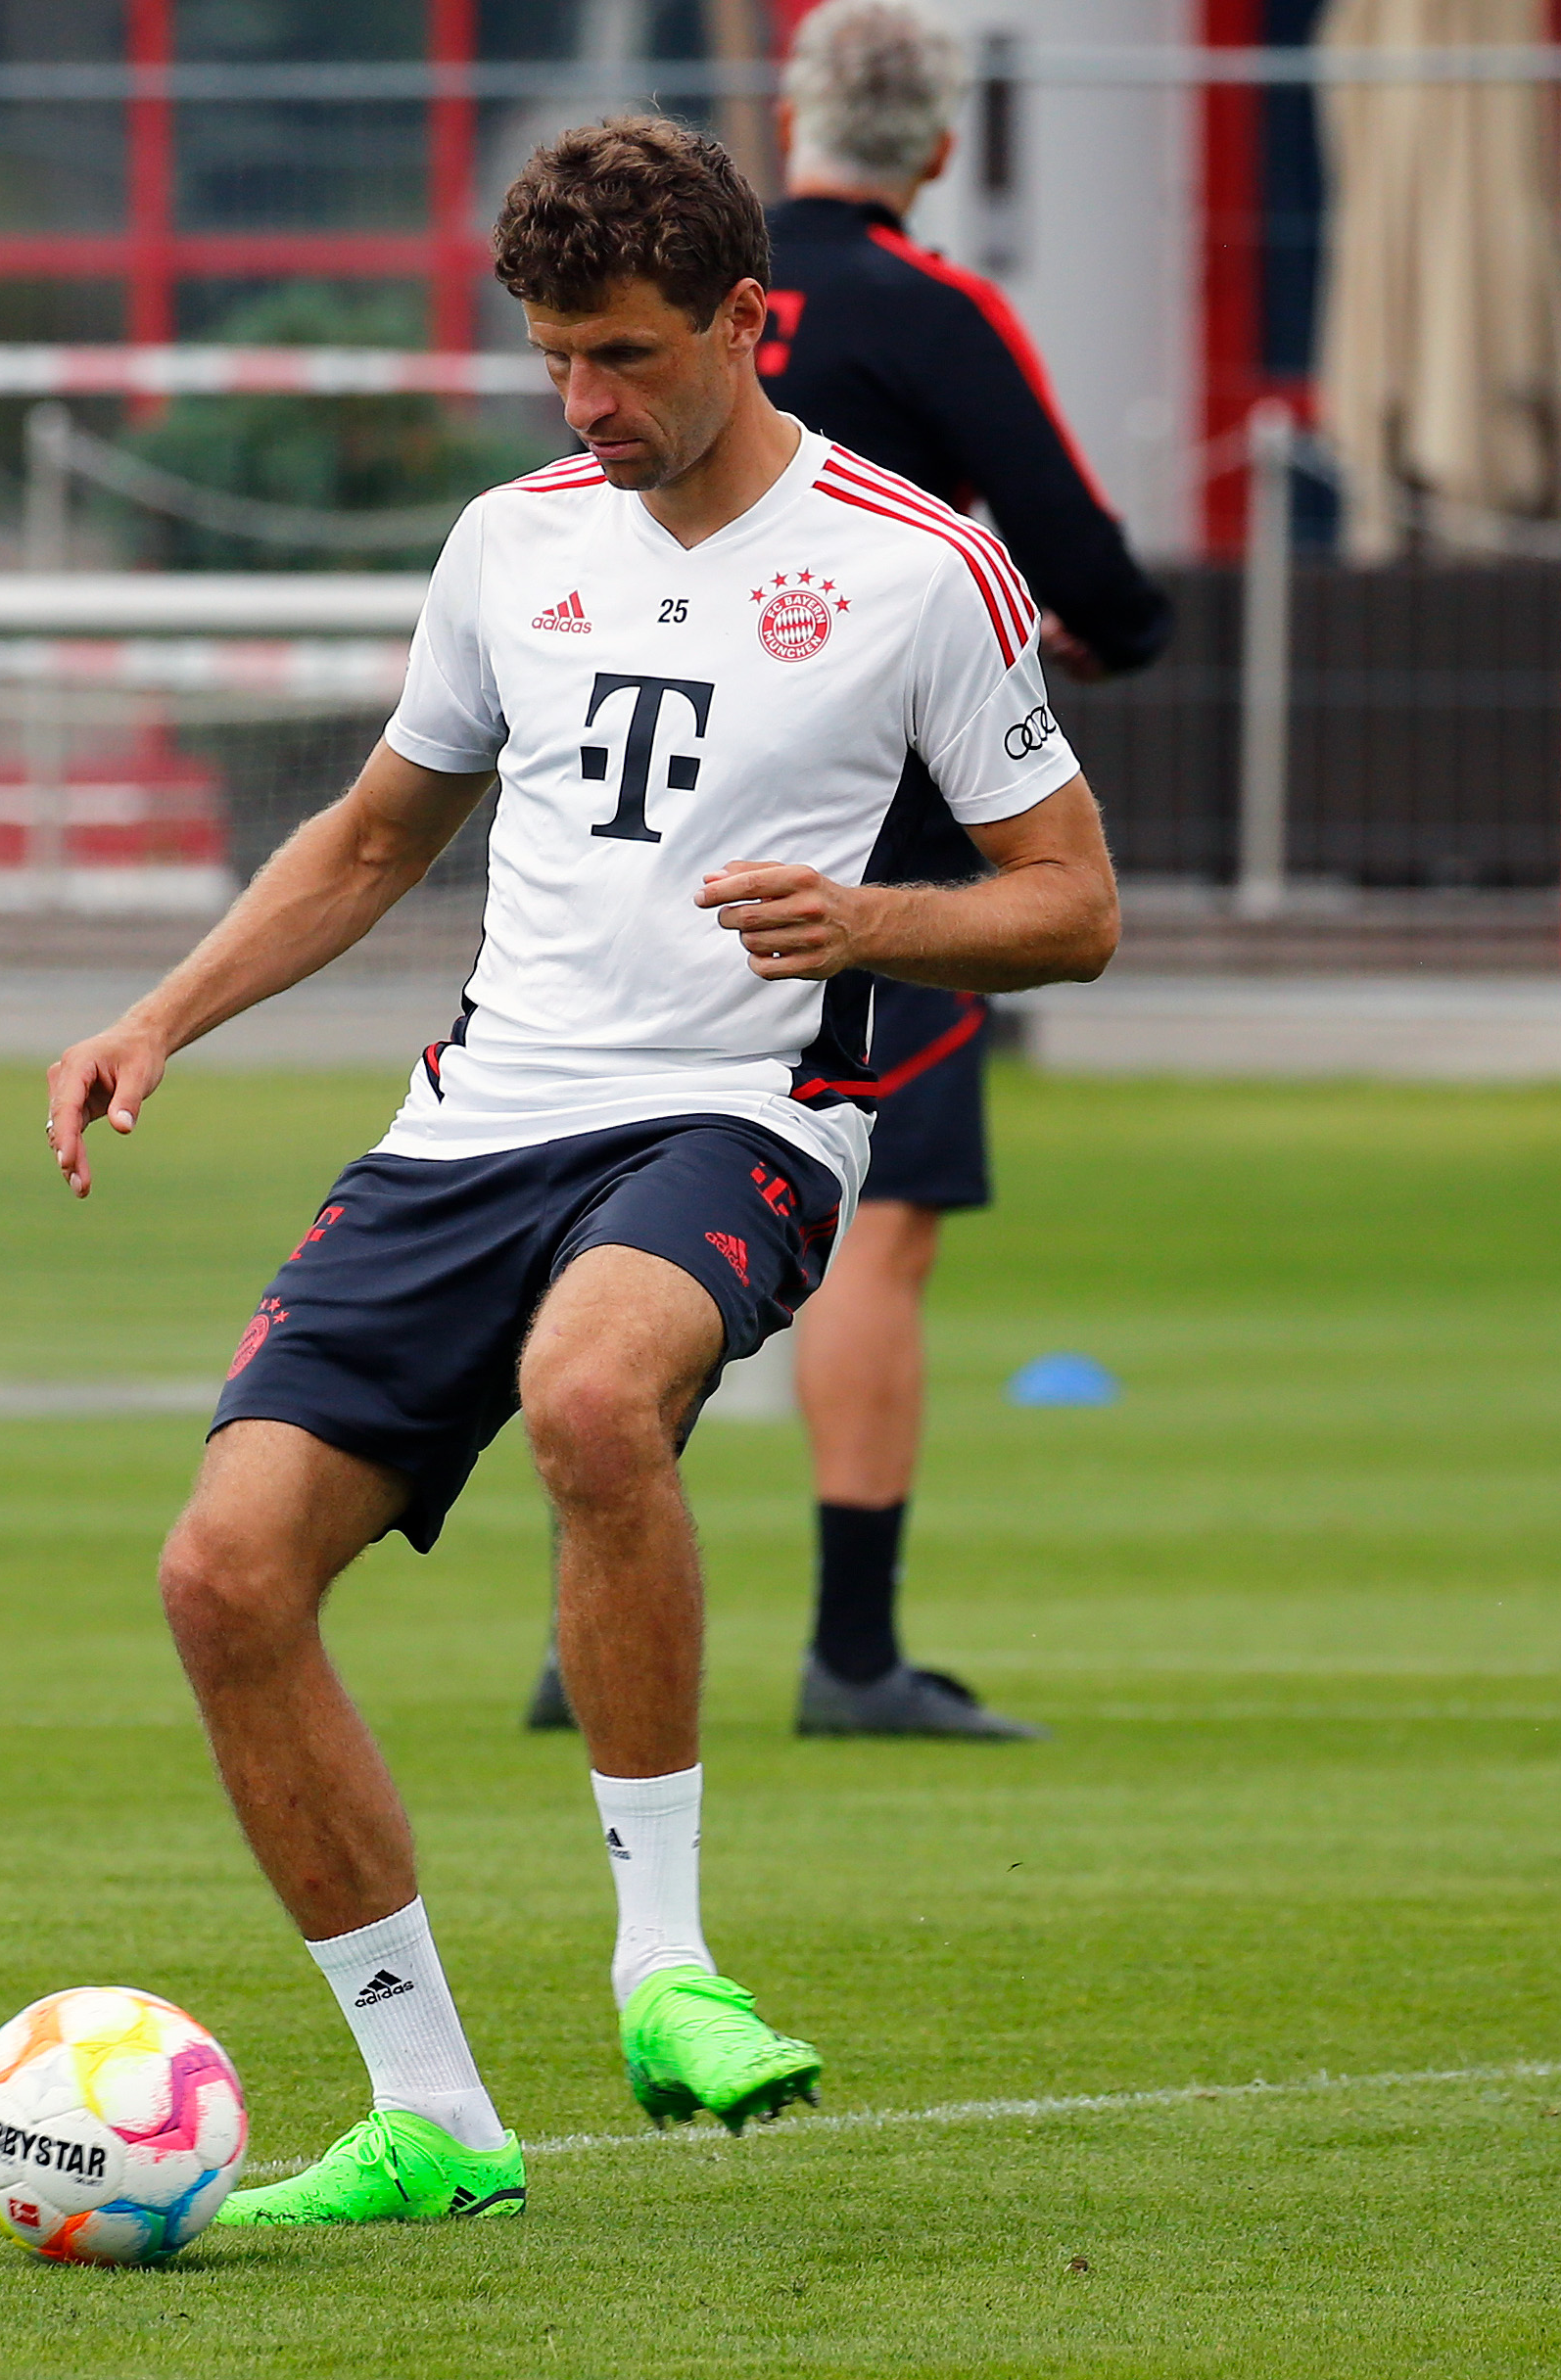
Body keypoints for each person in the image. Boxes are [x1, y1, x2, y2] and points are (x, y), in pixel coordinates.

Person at [44, 117, 1118, 2225]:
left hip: (739, 1117)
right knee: (221, 1575)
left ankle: (668, 1970)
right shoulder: (506, 545)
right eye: (553, 359)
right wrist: (157, 1015)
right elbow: (372, 840)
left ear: (745, 319)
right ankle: (431, 2111)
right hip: (477, 1119)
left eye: (625, 356)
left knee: (594, 1394)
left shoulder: (917, 562)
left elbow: (1073, 904)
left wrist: (869, 922)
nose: (586, 405)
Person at [520, 0, 1171, 1743]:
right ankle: (858, 1653)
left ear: (786, 119)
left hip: (618, 847)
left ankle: (586, 1608)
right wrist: (1060, 643)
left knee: (599, 1193)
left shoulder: (677, 300)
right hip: (863, 879)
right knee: (875, 1233)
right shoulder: (929, 313)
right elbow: (1102, 582)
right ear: (941, 150)